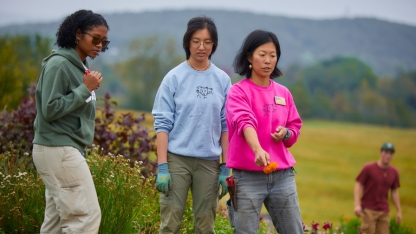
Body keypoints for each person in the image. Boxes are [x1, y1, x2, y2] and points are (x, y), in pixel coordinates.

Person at [152, 16, 231, 234]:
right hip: (177, 160)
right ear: (187, 42)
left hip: (209, 163)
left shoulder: (222, 80)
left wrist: (226, 166)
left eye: (207, 41)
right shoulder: (174, 78)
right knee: (170, 223)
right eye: (196, 41)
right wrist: (162, 167)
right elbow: (162, 124)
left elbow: (226, 126)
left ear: (213, 44)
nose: (201, 47)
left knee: (205, 226)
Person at [32, 10, 109, 233]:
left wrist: (84, 88)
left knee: (55, 223)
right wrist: (84, 89)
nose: (100, 46)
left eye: (104, 42)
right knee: (84, 218)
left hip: (61, 149)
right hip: (58, 148)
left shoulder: (78, 67)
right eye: (95, 39)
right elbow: (50, 109)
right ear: (77, 33)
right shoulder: (59, 65)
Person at [225, 29, 303, 234]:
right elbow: (244, 121)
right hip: (248, 177)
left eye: (273, 55)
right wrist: (257, 149)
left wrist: (285, 133)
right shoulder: (238, 91)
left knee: (293, 230)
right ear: (249, 57)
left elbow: (295, 128)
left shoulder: (283, 93)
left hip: (282, 175)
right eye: (262, 55)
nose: (268, 60)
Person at [354, 142, 402, 234]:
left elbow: (394, 192)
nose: (388, 156)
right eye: (386, 152)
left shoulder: (394, 172)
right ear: (380, 152)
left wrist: (399, 211)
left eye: (390, 153)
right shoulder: (368, 168)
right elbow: (358, 184)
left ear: (393, 155)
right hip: (368, 209)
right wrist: (357, 205)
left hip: (384, 210)